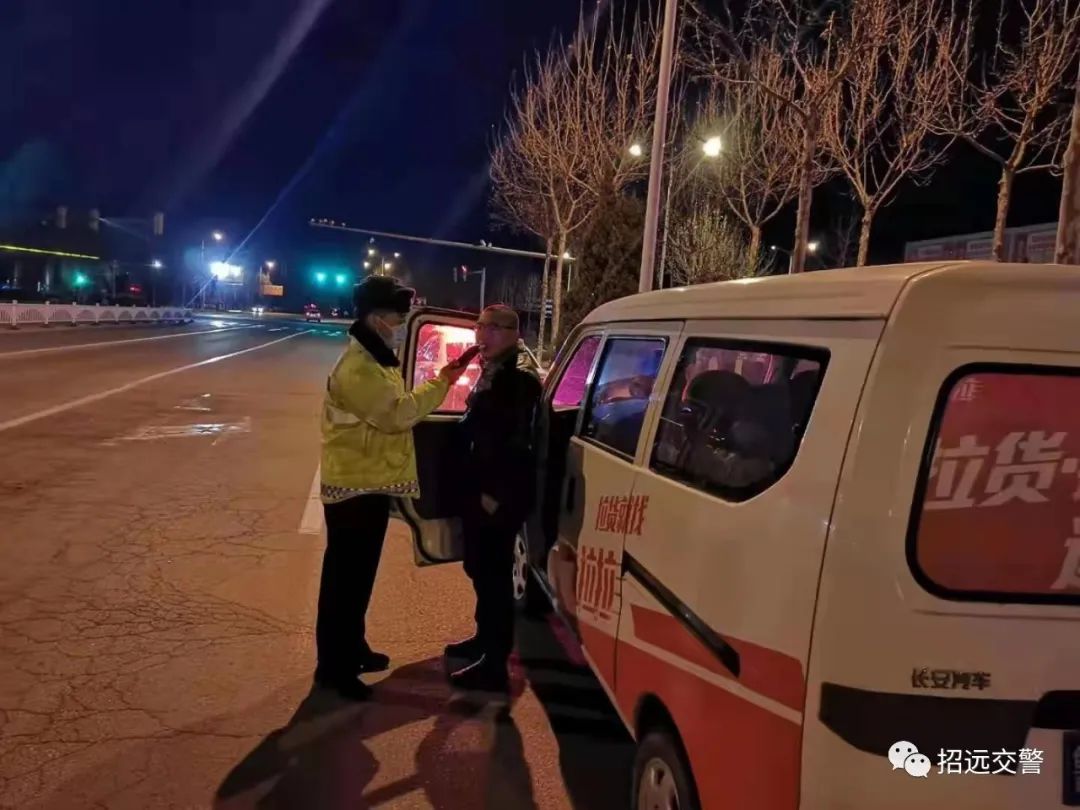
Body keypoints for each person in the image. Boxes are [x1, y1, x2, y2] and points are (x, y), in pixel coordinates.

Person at [316, 276, 466, 700]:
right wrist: (442, 383)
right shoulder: (359, 369)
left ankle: (353, 648)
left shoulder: (377, 359)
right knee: (344, 583)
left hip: (369, 485)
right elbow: (397, 415)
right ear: (374, 318)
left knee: (358, 578)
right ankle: (334, 668)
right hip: (353, 490)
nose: (399, 326)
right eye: (395, 319)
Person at [445, 304, 542, 692]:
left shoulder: (519, 379)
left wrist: (494, 495)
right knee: (479, 570)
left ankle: (495, 664)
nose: (481, 335)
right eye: (479, 326)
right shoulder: (491, 370)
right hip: (480, 491)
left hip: (498, 496)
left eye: (492, 328)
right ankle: (484, 640)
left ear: (513, 334)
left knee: (494, 578)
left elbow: (518, 445)